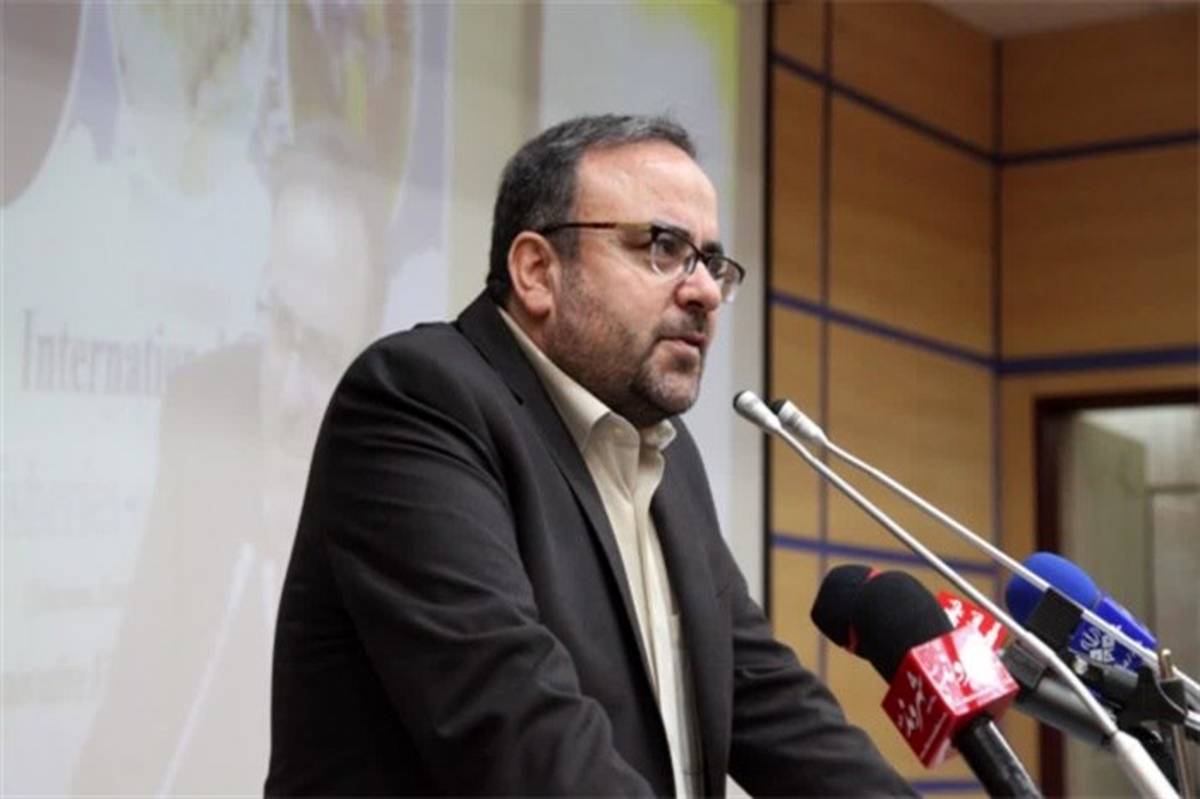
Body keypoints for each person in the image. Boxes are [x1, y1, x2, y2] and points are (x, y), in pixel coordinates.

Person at [266, 114, 914, 796]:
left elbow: (777, 709)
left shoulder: (666, 458)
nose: (702, 291)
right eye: (663, 247)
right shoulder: (420, 400)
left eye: (712, 262)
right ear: (537, 271)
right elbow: (521, 731)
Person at [72, 121, 390, 795]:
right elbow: (139, 689)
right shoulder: (205, 408)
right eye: (280, 327)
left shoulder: (409, 470)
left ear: (368, 344)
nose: (288, 393)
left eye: (322, 350)